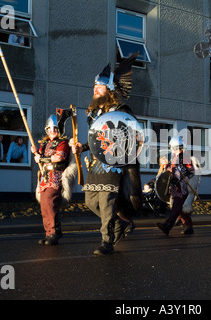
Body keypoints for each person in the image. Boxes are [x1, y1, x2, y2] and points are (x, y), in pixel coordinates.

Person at [72, 53, 143, 255]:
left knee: (106, 201)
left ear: (109, 89)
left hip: (114, 163)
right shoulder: (96, 114)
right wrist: (82, 148)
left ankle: (107, 241)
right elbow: (97, 140)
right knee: (90, 201)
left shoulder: (121, 110)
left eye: (100, 86)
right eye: (95, 85)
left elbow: (133, 135)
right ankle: (120, 221)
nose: (95, 88)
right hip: (96, 163)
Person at [31, 113, 76, 245]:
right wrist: (35, 153)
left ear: (59, 130)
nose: (52, 131)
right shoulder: (44, 144)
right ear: (47, 130)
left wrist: (41, 158)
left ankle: (55, 232)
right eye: (50, 129)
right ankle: (49, 233)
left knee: (50, 203)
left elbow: (59, 158)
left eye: (55, 128)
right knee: (44, 205)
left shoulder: (62, 143)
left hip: (56, 175)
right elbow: (38, 158)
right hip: (45, 176)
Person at [156, 136, 201, 236]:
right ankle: (188, 227)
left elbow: (192, 170)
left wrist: (187, 177)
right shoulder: (175, 158)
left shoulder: (184, 157)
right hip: (176, 186)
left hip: (182, 186)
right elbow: (173, 170)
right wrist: (165, 165)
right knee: (179, 209)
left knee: (176, 207)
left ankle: (167, 226)